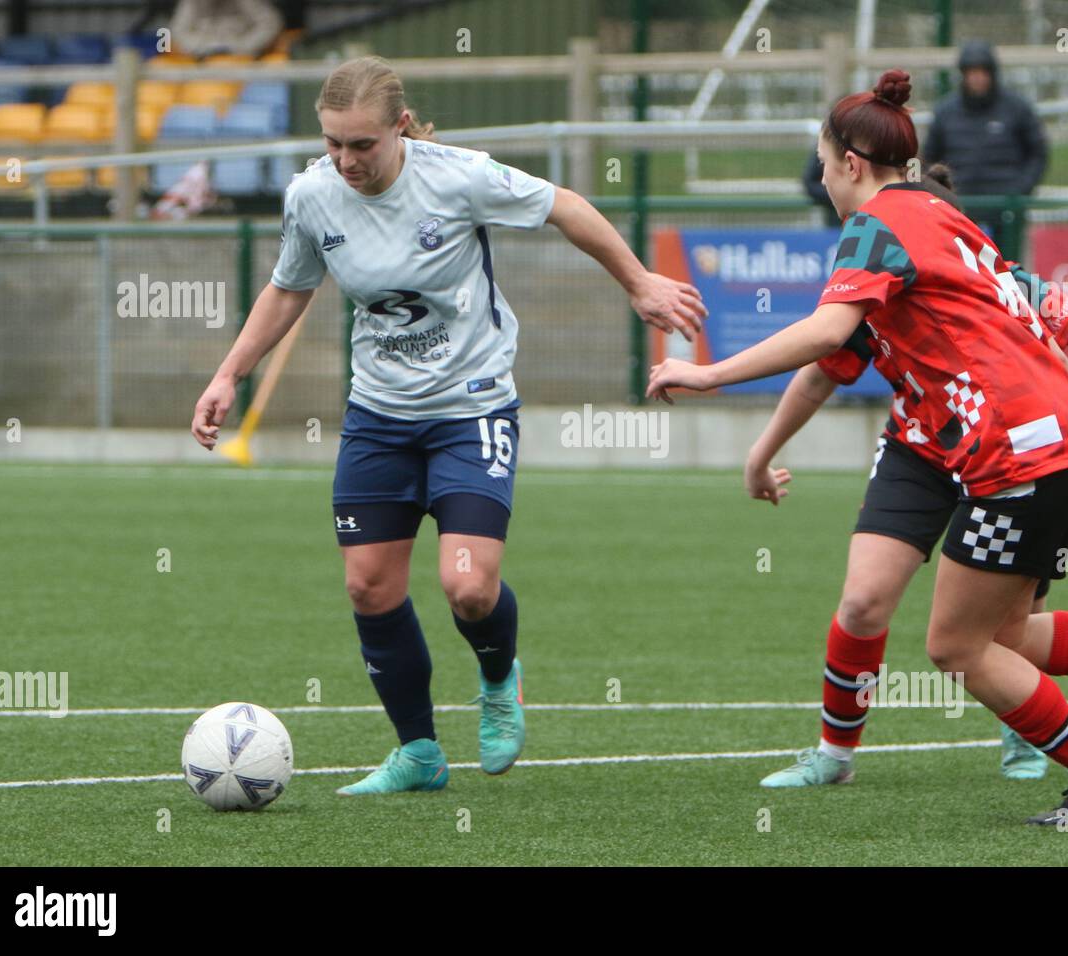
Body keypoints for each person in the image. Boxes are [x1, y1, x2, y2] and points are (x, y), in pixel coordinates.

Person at [648, 70, 1068, 825]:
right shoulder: (945, 219)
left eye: (825, 167)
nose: (825, 182)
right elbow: (975, 349)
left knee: (958, 646)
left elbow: (830, 334)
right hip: (1015, 447)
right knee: (992, 633)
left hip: (1008, 456)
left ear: (851, 165)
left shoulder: (877, 228)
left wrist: (708, 373)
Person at [191, 56, 706, 794]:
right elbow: (288, 287)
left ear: (401, 128)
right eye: (334, 144)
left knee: (467, 587)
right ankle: (418, 754)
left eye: (362, 145)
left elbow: (566, 205)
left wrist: (640, 283)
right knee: (369, 588)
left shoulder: (459, 176)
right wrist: (227, 374)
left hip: (471, 408)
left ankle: (499, 677)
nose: (347, 161)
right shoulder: (312, 195)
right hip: (378, 417)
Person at [746, 163, 1068, 785]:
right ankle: (835, 756)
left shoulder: (999, 283)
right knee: (866, 602)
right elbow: (819, 370)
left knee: (998, 636)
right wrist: (762, 452)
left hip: (1011, 455)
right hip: (922, 452)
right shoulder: (883, 275)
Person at [924, 40, 1048, 256]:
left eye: (982, 72)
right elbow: (930, 158)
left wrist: (1020, 191)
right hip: (959, 213)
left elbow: (1038, 153)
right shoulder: (945, 113)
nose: (977, 78)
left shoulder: (1016, 109)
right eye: (972, 72)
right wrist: (943, 195)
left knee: (1008, 272)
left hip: (1005, 216)